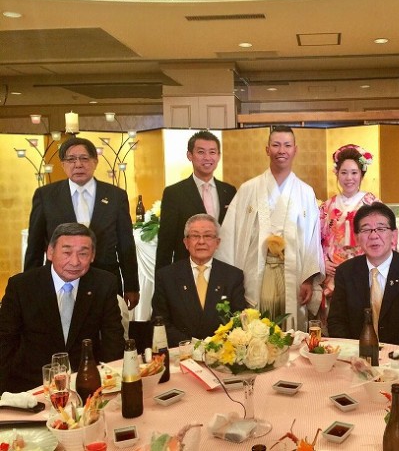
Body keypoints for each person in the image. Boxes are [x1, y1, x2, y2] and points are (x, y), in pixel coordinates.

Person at [216, 125, 325, 328]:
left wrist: (308, 279)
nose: (281, 150)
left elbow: (312, 241)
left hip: (293, 275)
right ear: (267, 149)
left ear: (295, 150)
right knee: (255, 330)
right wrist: (232, 282)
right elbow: (231, 235)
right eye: (276, 145)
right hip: (255, 272)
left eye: (287, 145)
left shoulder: (305, 192)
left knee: (291, 331)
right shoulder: (248, 189)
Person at [0, 223, 125, 393]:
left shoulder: (104, 283)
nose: (75, 262)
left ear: (93, 256)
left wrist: (113, 385)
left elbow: (113, 341)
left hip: (86, 383)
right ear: (50, 252)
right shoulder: (22, 286)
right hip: (32, 387)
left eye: (83, 254)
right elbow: (5, 343)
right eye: (67, 252)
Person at [24, 136, 140, 310]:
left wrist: (131, 285)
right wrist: (29, 285)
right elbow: (35, 245)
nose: (78, 164)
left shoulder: (116, 196)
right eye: (71, 159)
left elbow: (126, 244)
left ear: (95, 161)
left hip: (105, 280)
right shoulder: (46, 196)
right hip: (60, 281)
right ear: (63, 164)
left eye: (84, 158)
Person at [327, 202, 399, 347]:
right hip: (356, 354)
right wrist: (353, 351)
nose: (374, 236)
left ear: (394, 235)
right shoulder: (346, 272)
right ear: (356, 238)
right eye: (366, 230)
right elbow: (337, 321)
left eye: (381, 228)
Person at [152, 214, 247, 347]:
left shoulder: (233, 276)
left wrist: (215, 347)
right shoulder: (167, 276)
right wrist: (190, 346)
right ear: (186, 242)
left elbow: (238, 320)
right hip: (181, 351)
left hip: (221, 351)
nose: (201, 241)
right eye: (195, 236)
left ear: (217, 242)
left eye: (208, 236)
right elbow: (160, 322)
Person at [155, 131, 236, 271]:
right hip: (187, 271)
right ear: (189, 155)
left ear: (218, 156)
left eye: (212, 152)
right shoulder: (174, 193)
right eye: (201, 152)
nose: (207, 157)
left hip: (223, 269)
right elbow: (165, 244)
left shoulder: (229, 191)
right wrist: (162, 281)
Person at [319, 144, 378, 327]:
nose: (349, 178)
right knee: (336, 321)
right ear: (337, 174)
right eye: (344, 172)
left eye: (354, 173)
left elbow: (384, 240)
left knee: (363, 321)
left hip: (363, 270)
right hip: (333, 273)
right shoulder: (327, 206)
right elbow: (315, 240)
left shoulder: (372, 204)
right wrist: (322, 261)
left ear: (362, 174)